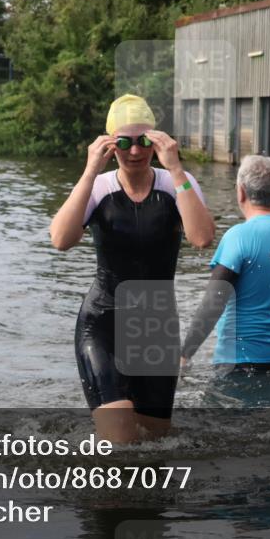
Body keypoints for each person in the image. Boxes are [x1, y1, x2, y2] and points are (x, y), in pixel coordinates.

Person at [50, 94, 215, 443]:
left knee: (153, 445)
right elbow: (61, 240)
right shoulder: (99, 187)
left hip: (156, 326)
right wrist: (90, 170)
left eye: (143, 141)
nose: (136, 152)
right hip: (103, 324)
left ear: (157, 140)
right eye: (124, 143)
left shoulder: (176, 184)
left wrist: (175, 167)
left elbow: (201, 238)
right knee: (119, 438)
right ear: (110, 145)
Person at [181, 155, 270, 373]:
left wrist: (184, 354)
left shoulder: (238, 237)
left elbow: (213, 303)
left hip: (236, 365)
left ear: (240, 191)